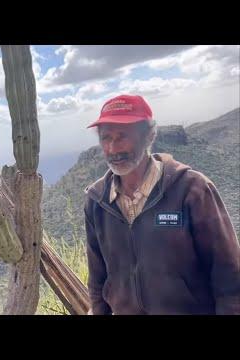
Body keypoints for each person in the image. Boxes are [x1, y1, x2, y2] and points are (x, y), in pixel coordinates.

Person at [84, 94, 240, 315]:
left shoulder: (192, 190)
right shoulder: (97, 200)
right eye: (106, 138)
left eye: (122, 136)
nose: (112, 148)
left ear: (149, 136)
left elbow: (230, 279)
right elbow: (98, 281)